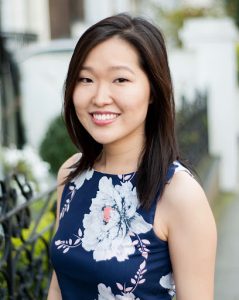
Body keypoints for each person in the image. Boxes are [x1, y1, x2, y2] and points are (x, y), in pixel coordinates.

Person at [47, 13, 217, 300]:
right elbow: (57, 287)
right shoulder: (71, 174)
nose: (100, 97)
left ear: (153, 90)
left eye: (120, 79)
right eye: (86, 79)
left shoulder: (179, 194)